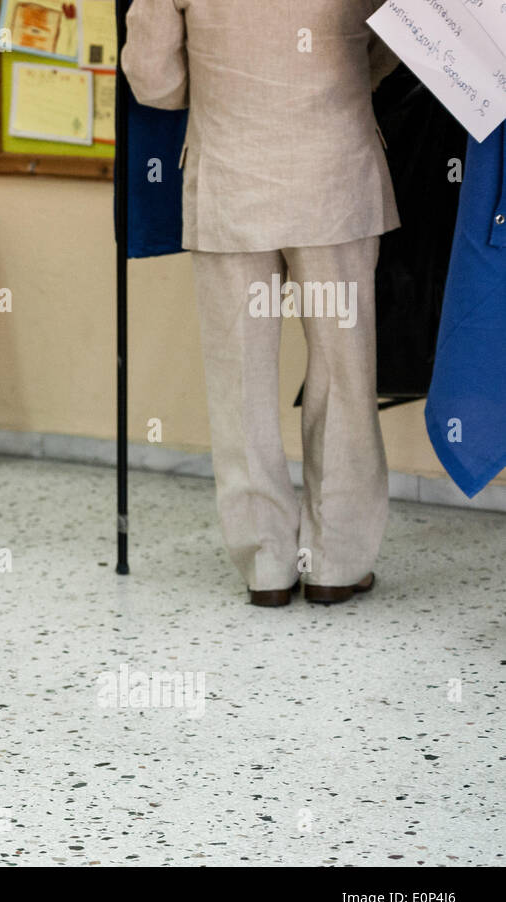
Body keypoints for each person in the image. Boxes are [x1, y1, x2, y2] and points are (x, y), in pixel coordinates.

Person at [122, 0, 399, 607]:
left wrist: (225, 89)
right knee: (346, 376)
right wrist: (337, 81)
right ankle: (337, 562)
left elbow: (152, 76)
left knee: (238, 381)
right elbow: (390, 41)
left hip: (229, 178)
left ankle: (266, 565)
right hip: (337, 174)